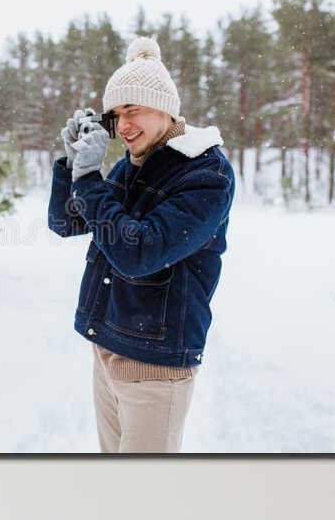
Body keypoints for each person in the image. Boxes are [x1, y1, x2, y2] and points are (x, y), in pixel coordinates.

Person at [47, 36, 234, 454]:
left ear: (166, 108)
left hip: (155, 361)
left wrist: (92, 177)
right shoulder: (132, 166)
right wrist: (72, 165)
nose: (123, 124)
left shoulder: (205, 173)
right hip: (108, 344)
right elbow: (66, 222)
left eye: (133, 108)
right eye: (115, 114)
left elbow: (139, 252)